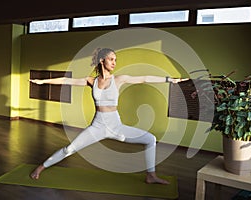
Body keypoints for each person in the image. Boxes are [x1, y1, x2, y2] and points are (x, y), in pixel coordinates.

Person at [29, 47, 189, 184]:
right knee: (69, 149)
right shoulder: (91, 81)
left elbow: (144, 78)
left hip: (116, 127)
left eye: (115, 60)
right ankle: (41, 167)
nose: (114, 62)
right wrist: (42, 82)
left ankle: (151, 175)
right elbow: (66, 80)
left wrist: (170, 80)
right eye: (111, 59)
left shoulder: (119, 79)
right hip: (97, 127)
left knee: (150, 139)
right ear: (101, 61)